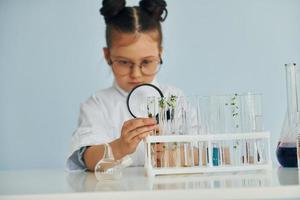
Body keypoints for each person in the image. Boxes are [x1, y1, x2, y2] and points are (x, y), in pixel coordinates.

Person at [66, 0, 183, 171]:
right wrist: (119, 147)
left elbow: (204, 150)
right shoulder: (97, 104)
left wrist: (170, 155)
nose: (136, 74)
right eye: (123, 62)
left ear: (160, 54)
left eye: (147, 62)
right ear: (107, 56)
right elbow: (87, 158)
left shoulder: (174, 98)